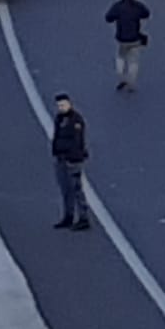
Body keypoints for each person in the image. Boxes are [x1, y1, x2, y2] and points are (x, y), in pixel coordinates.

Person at [51, 93, 90, 231]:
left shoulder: (76, 120)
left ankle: (84, 217)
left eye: (63, 105)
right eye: (59, 105)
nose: (61, 107)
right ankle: (68, 216)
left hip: (72, 160)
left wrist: (71, 157)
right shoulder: (60, 119)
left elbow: (77, 141)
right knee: (65, 189)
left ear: (69, 104)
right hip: (61, 158)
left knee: (76, 189)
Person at [104, 0, 151, 91]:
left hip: (122, 40)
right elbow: (146, 13)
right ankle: (131, 83)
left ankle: (121, 77)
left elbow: (108, 18)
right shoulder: (137, 6)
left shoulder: (118, 6)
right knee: (133, 61)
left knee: (120, 57)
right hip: (135, 39)